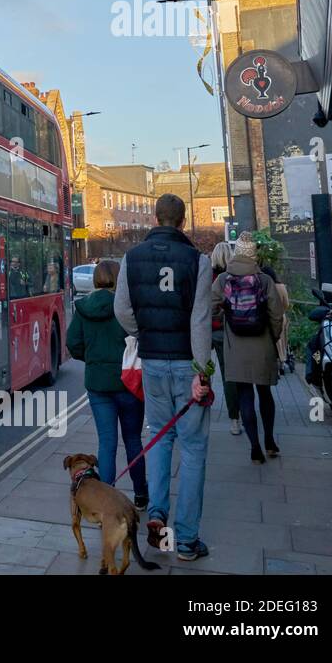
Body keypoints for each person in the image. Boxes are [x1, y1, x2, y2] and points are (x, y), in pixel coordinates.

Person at [114, 193, 214, 562]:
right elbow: (200, 320)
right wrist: (202, 372)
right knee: (193, 448)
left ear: (155, 219)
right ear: (182, 221)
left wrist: (143, 334)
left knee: (157, 437)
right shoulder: (197, 261)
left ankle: (157, 513)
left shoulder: (131, 257)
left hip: (152, 363)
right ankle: (186, 540)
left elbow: (121, 309)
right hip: (187, 364)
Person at [67, 260, 148, 509]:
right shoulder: (126, 306)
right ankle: (141, 495)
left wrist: (92, 359)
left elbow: (73, 344)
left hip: (98, 383)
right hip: (128, 383)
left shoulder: (83, 308)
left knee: (107, 442)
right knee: (133, 438)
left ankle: (107, 500)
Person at [212, 233, 286, 464]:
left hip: (236, 346)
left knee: (245, 395)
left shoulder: (223, 280)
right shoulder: (264, 280)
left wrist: (225, 315)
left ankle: (255, 448)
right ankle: (270, 441)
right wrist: (272, 338)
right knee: (265, 394)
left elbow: (209, 308)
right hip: (262, 343)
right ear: (254, 254)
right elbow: (277, 315)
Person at [209, 241, 242, 435]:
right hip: (225, 330)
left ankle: (200, 407)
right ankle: (235, 419)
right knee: (228, 375)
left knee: (201, 372)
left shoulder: (206, 275)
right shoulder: (232, 277)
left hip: (205, 330)